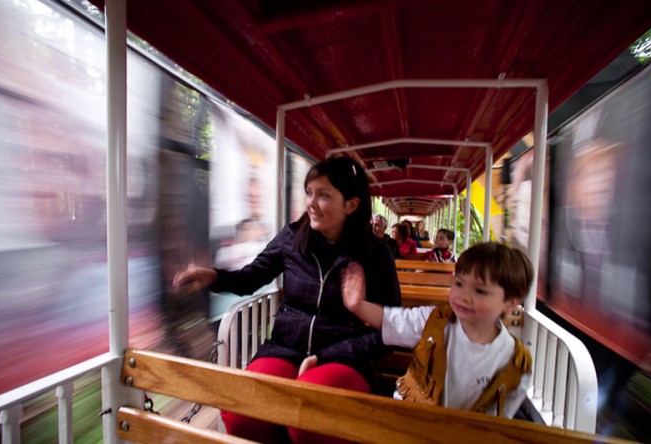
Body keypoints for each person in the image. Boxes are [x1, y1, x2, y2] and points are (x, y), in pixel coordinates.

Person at [173, 156, 401, 444]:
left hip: (346, 357)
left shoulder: (375, 254)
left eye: (323, 195)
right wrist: (214, 277)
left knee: (308, 415)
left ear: (351, 204)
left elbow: (391, 329)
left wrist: (330, 353)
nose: (311, 203)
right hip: (285, 348)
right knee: (241, 411)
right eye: (309, 193)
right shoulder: (292, 238)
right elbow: (251, 277)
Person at [341, 242, 534, 418]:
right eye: (458, 284)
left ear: (509, 303)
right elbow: (391, 319)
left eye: (480, 290)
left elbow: (500, 421)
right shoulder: (434, 321)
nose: (463, 296)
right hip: (409, 420)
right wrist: (358, 306)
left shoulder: (515, 363)